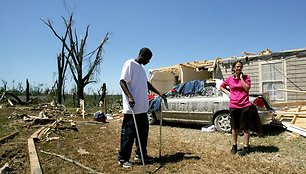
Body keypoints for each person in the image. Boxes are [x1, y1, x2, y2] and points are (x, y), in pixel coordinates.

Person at [117, 47, 163, 168]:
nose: (149, 61)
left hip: (142, 109)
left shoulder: (142, 68)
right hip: (132, 109)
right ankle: (122, 159)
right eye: (148, 59)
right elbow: (122, 82)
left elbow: (146, 84)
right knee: (128, 135)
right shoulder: (130, 64)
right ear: (143, 55)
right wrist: (130, 97)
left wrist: (158, 92)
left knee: (143, 134)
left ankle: (141, 155)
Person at [220, 60, 252, 156]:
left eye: (240, 67)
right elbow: (221, 86)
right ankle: (234, 145)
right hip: (234, 105)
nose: (239, 68)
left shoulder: (246, 78)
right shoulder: (229, 79)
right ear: (233, 68)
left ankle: (246, 146)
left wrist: (241, 79)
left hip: (245, 105)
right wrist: (228, 93)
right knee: (234, 127)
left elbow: (247, 88)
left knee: (246, 127)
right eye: (237, 66)